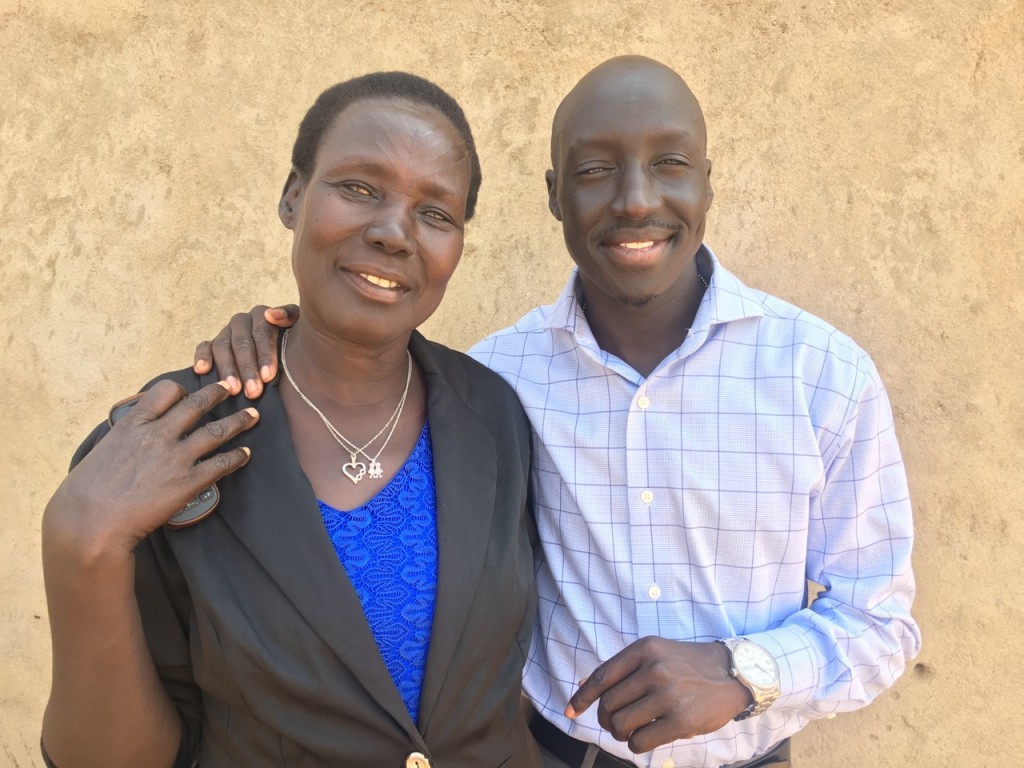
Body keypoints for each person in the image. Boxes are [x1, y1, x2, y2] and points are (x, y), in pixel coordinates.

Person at [196, 56, 921, 768]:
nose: (636, 200)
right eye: (595, 170)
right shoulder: (494, 383)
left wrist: (743, 671)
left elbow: (880, 621)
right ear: (554, 194)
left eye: (670, 162)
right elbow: (363, 355)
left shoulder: (821, 374)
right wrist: (278, 336)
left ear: (707, 183)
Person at [41, 72, 541, 768]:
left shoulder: (498, 420)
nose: (395, 232)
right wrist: (78, 548)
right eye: (360, 188)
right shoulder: (163, 441)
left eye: (436, 214)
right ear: (293, 196)